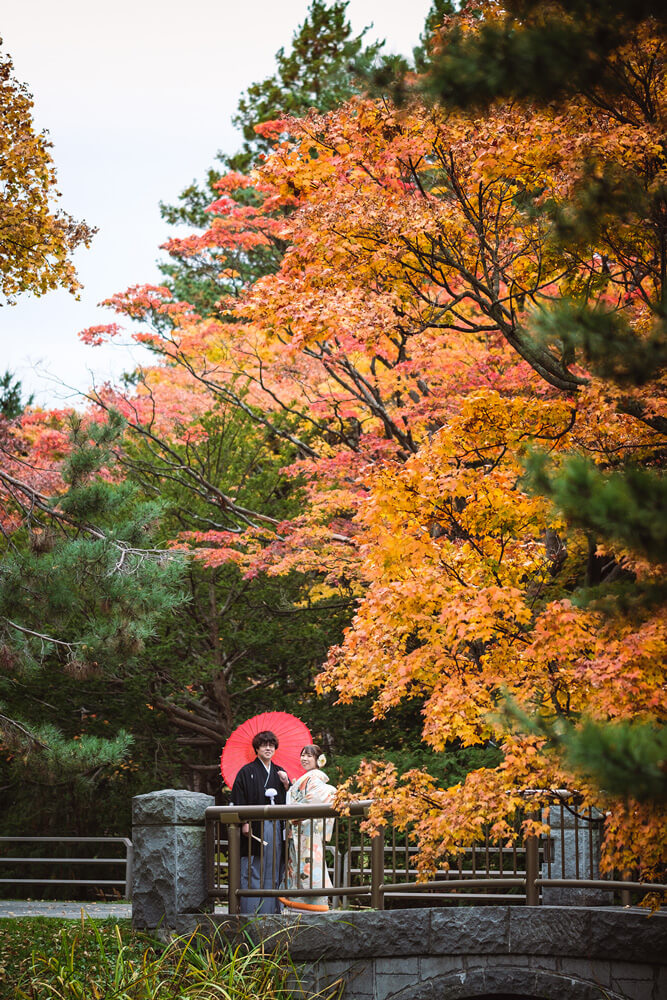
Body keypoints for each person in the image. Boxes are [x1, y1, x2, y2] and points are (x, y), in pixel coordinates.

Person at [229, 729, 291, 915]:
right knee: (254, 865)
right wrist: (245, 822)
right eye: (264, 745)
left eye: (271, 745)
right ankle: (251, 910)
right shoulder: (246, 772)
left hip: (276, 826)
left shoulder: (280, 772)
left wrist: (287, 784)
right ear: (256, 748)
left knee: (274, 866)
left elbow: (290, 800)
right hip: (255, 826)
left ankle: (272, 910)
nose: (268, 748)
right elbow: (238, 797)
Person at [280, 744, 337, 912]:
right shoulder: (306, 778)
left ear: (318, 760)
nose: (304, 759)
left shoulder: (314, 777)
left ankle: (309, 904)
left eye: (309, 756)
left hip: (306, 829)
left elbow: (318, 798)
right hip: (300, 829)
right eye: (303, 755)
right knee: (300, 864)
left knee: (308, 865)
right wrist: (287, 786)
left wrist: (294, 809)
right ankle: (301, 903)